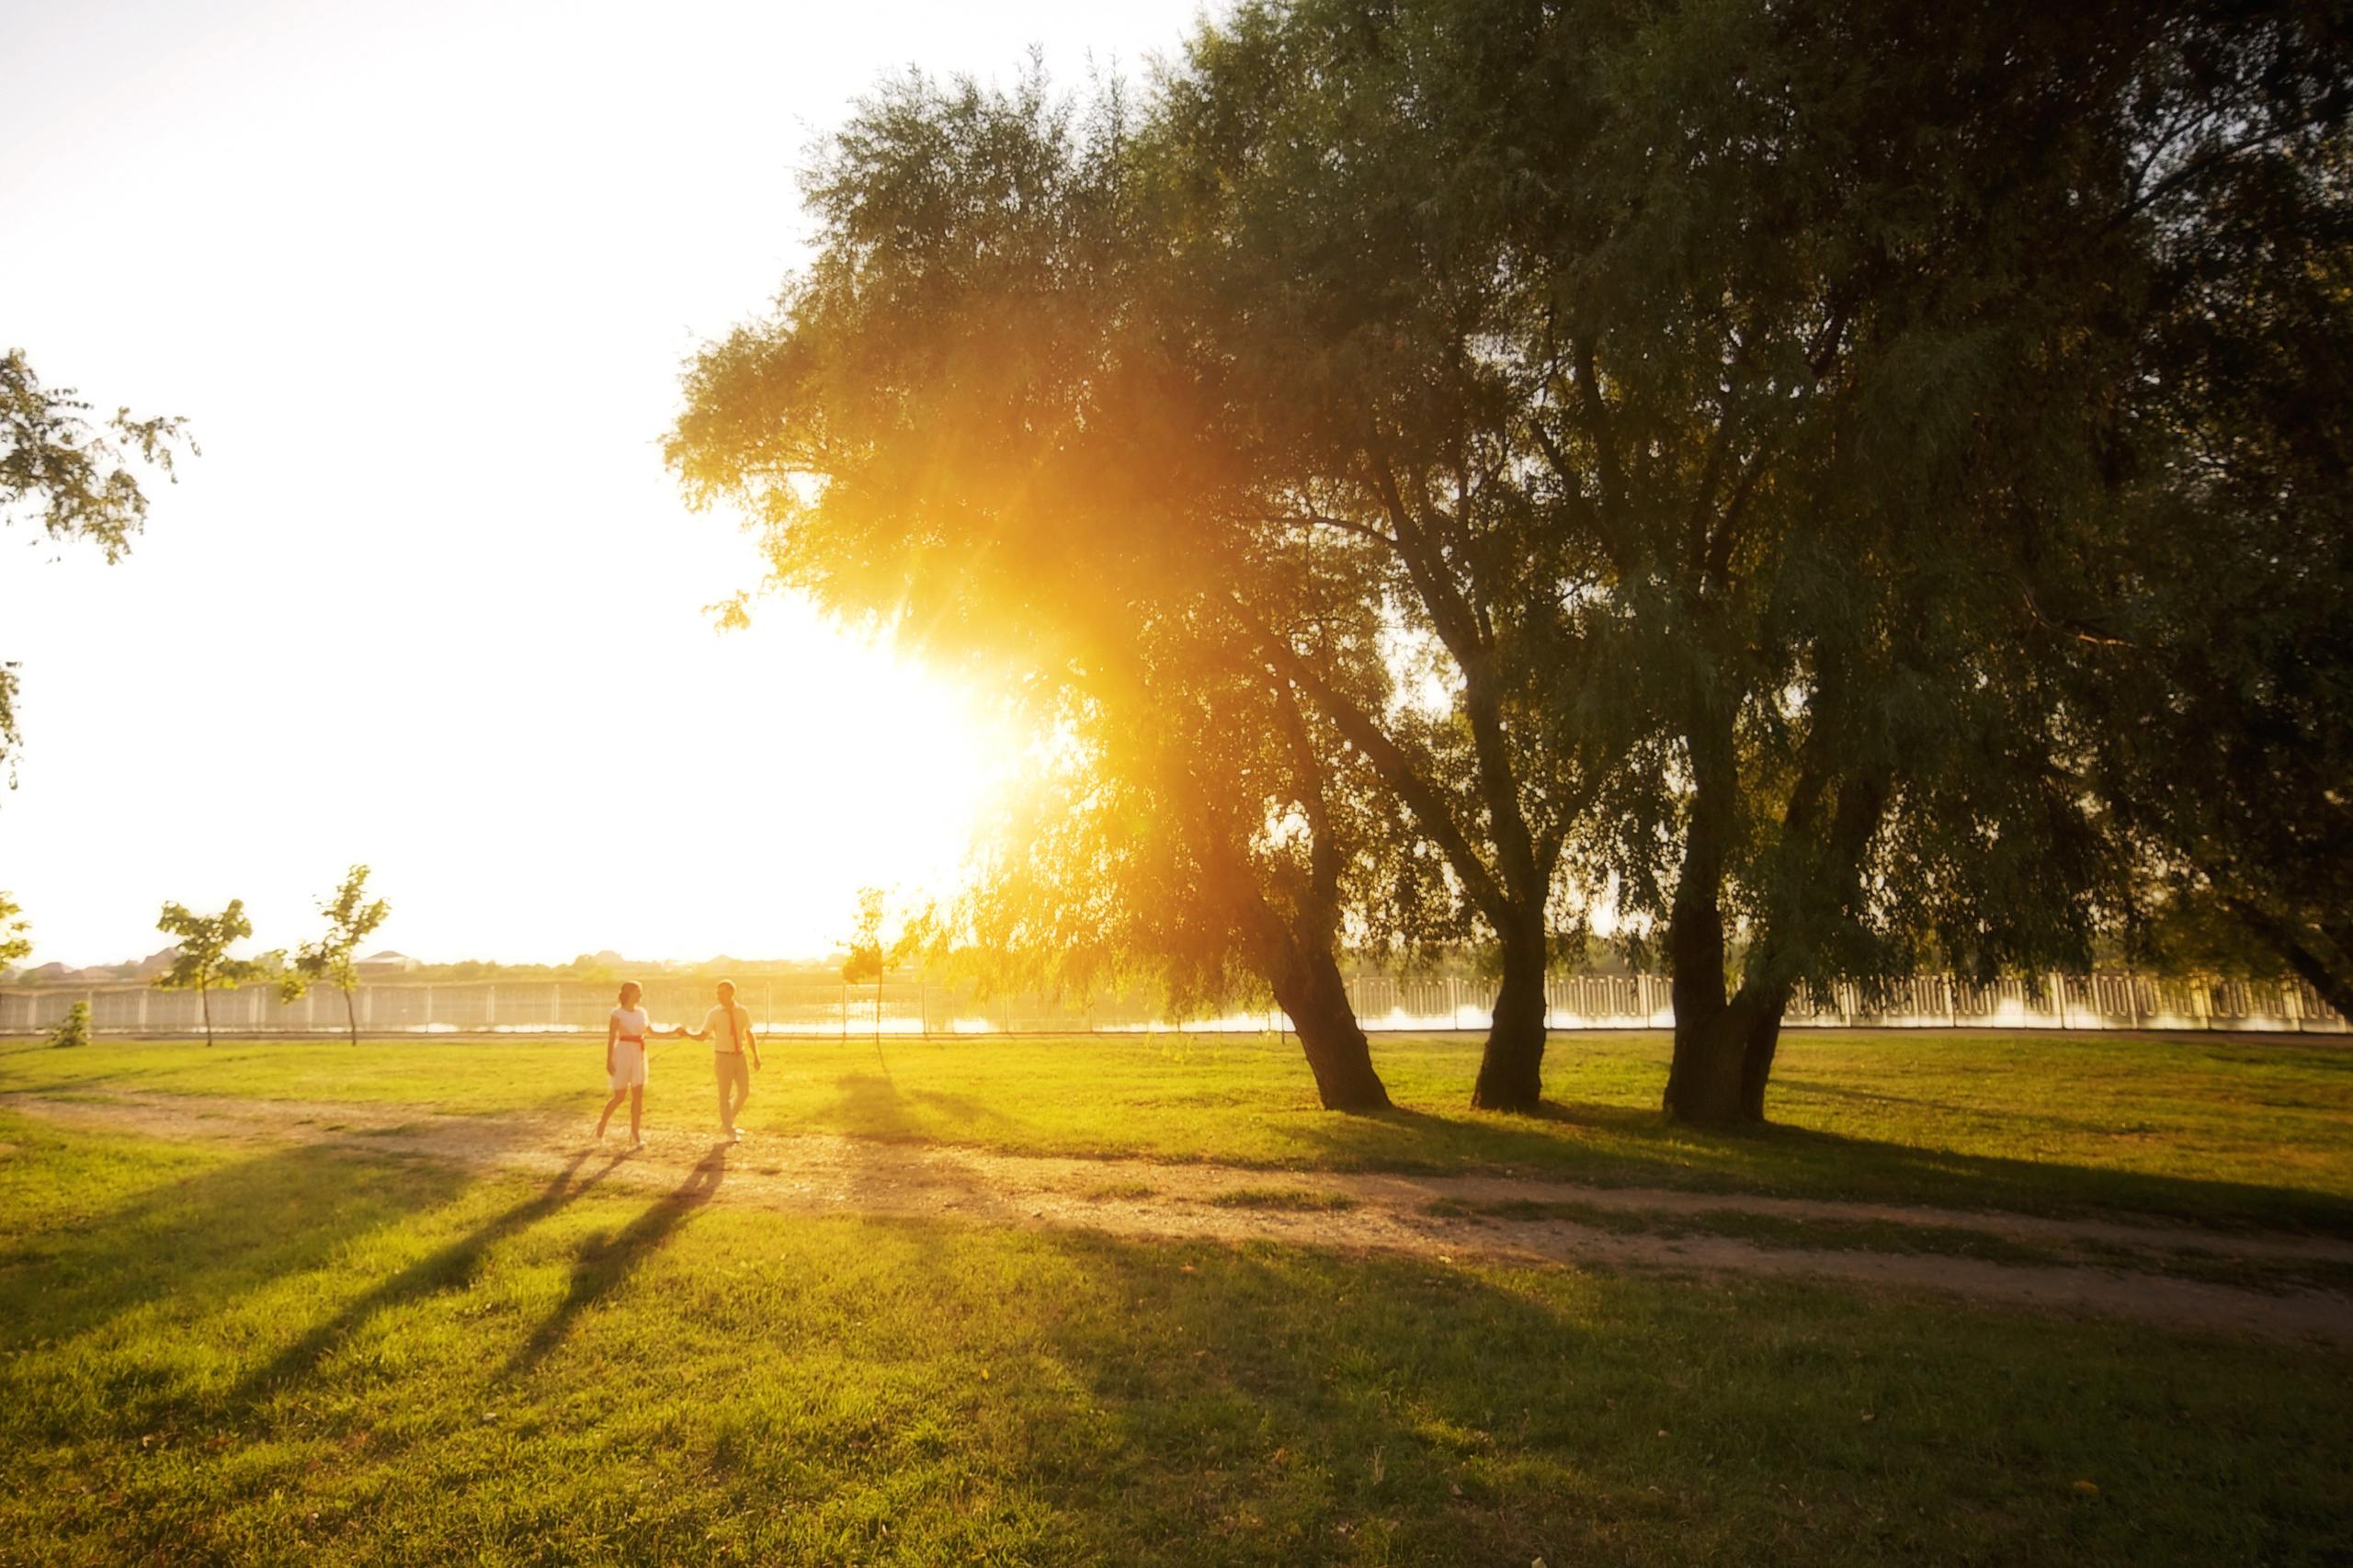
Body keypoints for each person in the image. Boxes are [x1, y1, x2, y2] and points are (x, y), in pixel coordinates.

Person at [596, 981, 685, 1147]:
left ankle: (635, 1133)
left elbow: (652, 1033)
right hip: (622, 1053)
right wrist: (609, 1060)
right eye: (638, 991)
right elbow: (611, 1038)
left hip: (639, 1053)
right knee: (619, 1096)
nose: (641, 994)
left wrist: (673, 1032)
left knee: (638, 1094)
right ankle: (601, 1125)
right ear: (629, 993)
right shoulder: (617, 1013)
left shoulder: (642, 1012)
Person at [692, 977, 762, 1142]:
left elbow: (748, 1033)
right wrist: (687, 1034)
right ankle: (729, 1130)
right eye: (717, 993)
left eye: (722, 993)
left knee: (744, 1091)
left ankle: (726, 1122)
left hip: (740, 1056)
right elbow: (703, 1036)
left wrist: (756, 1056)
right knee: (724, 1094)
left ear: (732, 993)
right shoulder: (714, 1013)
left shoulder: (742, 1011)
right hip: (723, 1056)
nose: (718, 996)